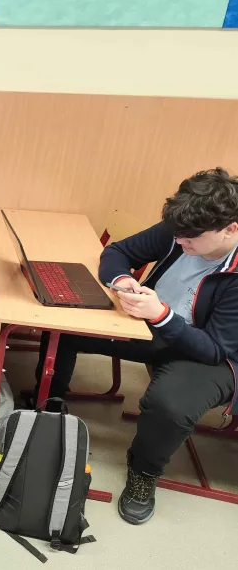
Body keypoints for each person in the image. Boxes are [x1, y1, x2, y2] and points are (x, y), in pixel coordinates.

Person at [34, 168, 238, 525]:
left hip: (214, 355)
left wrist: (160, 315)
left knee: (169, 405)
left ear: (230, 229)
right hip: (155, 324)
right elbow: (118, 252)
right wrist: (124, 280)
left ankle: (144, 471)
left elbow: (214, 349)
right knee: (65, 324)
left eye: (191, 238)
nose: (181, 242)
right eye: (177, 234)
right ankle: (48, 408)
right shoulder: (183, 227)